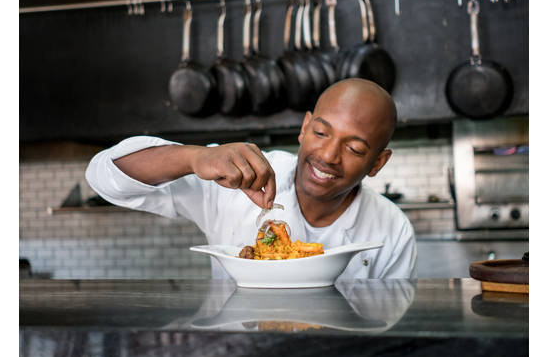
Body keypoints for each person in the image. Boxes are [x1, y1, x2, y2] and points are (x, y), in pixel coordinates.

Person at [86, 78, 417, 279]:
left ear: (377, 163)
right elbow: (104, 175)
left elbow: (387, 327)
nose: (329, 155)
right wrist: (194, 157)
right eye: (320, 132)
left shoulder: (393, 230)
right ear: (304, 128)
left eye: (355, 148)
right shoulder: (235, 179)